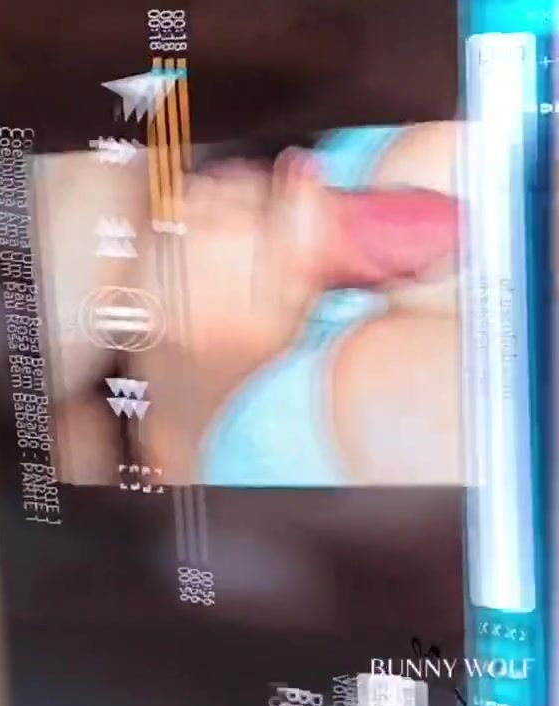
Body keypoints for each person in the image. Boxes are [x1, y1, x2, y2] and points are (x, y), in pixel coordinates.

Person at [43, 122, 462, 487]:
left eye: (179, 182)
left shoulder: (353, 170)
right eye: (164, 238)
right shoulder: (273, 436)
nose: (200, 192)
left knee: (419, 163)